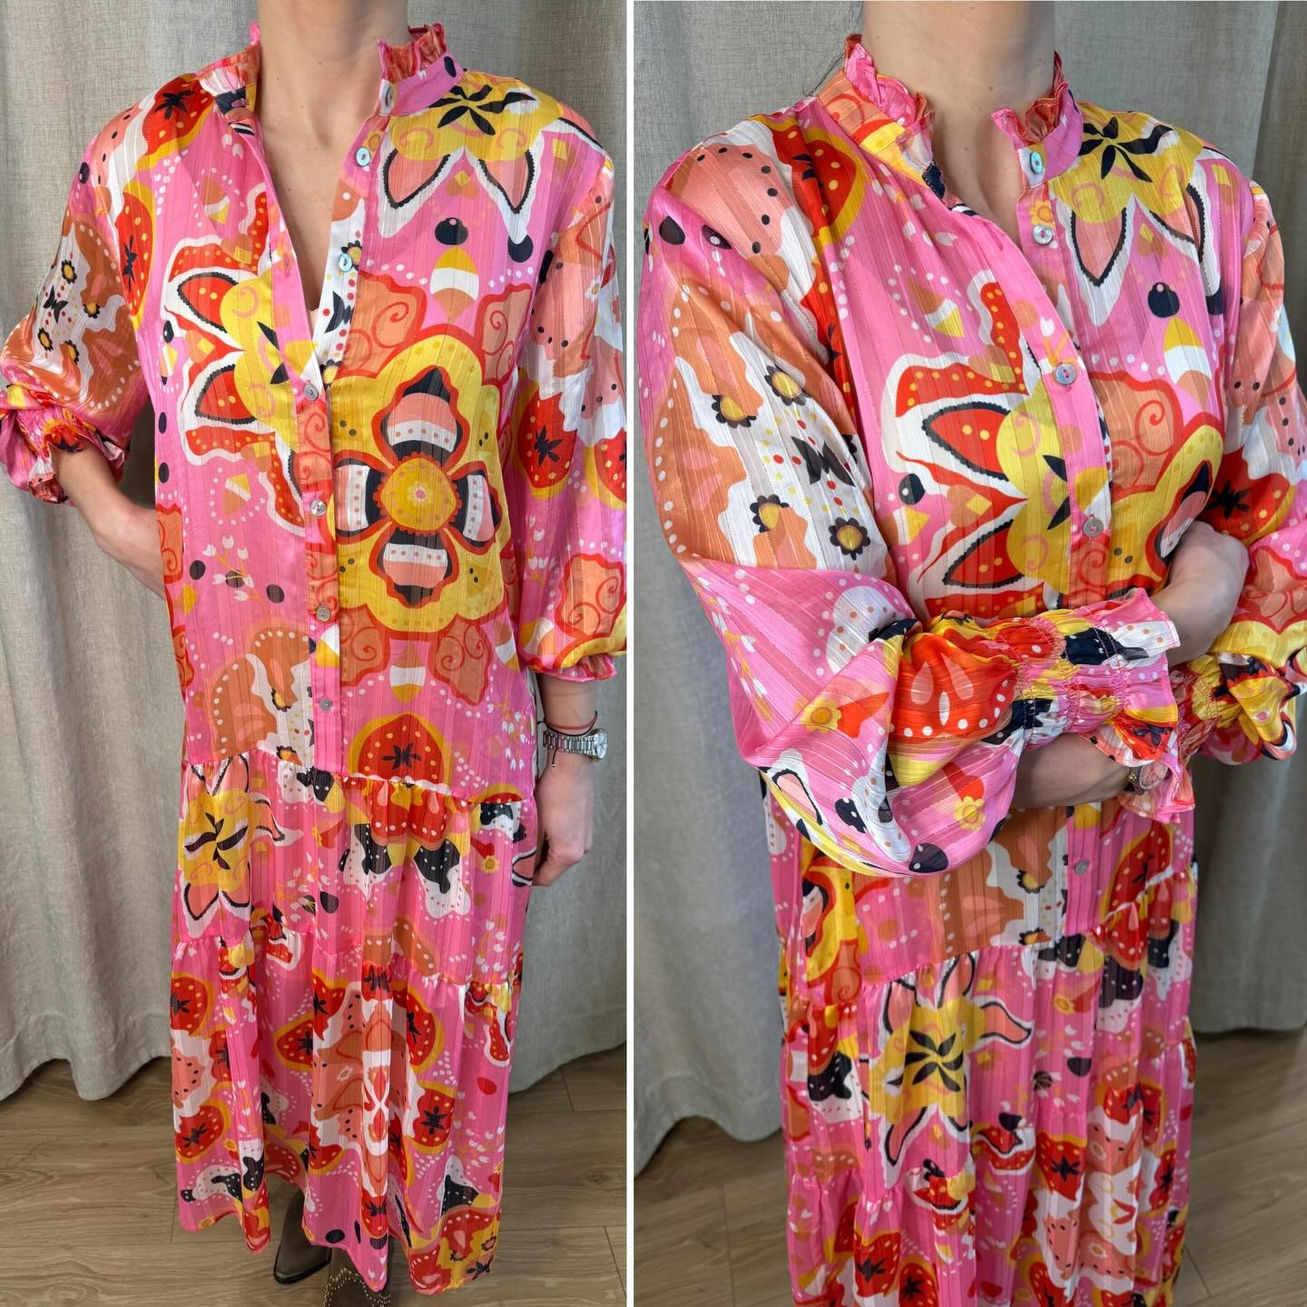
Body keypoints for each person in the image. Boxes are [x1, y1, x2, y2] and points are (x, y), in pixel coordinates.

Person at [636, 1, 1305, 1302]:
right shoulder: (747, 218)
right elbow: (828, 694)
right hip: (907, 972)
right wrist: (1164, 634)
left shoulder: (1204, 204)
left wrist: (1056, 713)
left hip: (1131, 922)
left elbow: (1270, 542)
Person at [0, 2, 626, 1302]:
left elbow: (577, 477)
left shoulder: (541, 161)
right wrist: (124, 524)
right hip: (252, 736)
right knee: (277, 986)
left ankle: (377, 1241)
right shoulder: (148, 159)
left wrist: (578, 748)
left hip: (445, 744)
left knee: (414, 1008)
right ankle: (304, 1191)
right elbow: (52, 377)